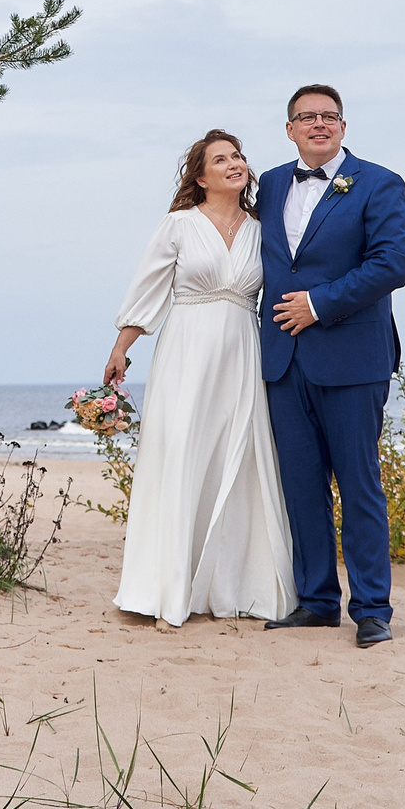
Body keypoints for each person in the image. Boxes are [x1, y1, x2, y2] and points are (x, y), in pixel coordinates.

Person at [103, 130, 296, 627]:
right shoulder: (179, 225)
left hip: (241, 351)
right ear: (200, 175)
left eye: (238, 156)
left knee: (243, 458)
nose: (234, 164)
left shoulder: (261, 228)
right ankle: (166, 585)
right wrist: (122, 348)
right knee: (182, 452)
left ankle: (235, 584)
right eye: (221, 159)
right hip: (186, 349)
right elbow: (148, 288)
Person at [254, 83, 405, 647]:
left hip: (352, 357)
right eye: (307, 117)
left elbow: (394, 262)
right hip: (282, 359)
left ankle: (372, 609)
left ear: (343, 127)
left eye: (329, 116)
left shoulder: (380, 182)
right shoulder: (271, 184)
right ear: (290, 129)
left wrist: (318, 305)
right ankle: (317, 601)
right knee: (301, 488)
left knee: (359, 484)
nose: (318, 124)